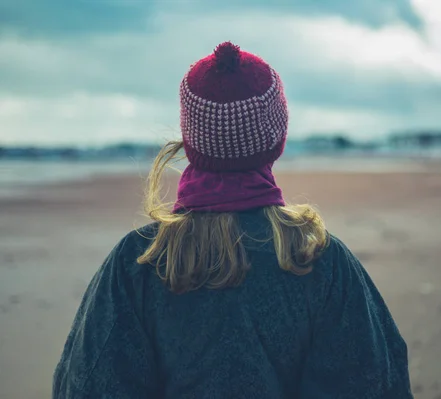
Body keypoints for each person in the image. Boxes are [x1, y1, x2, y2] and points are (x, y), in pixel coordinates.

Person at [52, 42, 413, 399]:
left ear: (191, 138)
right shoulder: (320, 259)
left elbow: (87, 386)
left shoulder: (138, 262)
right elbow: (375, 382)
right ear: (278, 138)